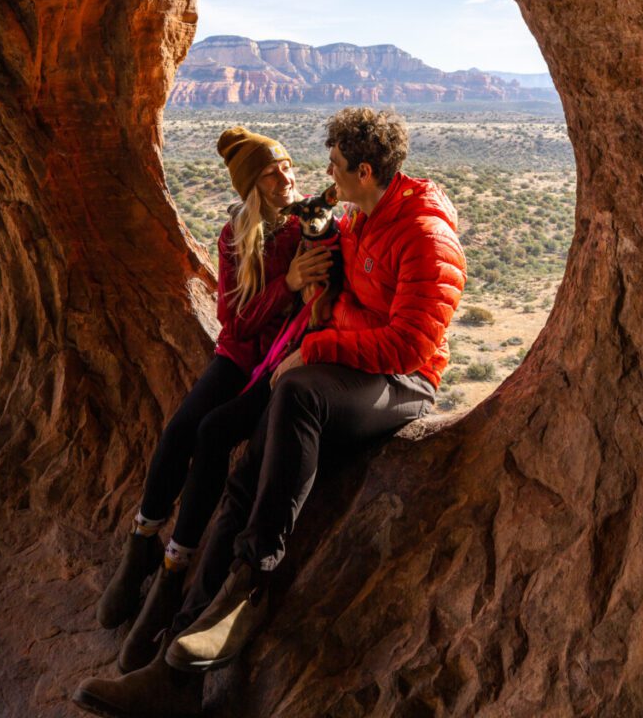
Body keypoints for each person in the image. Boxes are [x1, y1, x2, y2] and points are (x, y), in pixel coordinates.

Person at [73, 108, 466, 718]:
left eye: (335, 167)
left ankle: (252, 582)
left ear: (365, 171)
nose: (324, 178)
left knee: (299, 391)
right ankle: (173, 666)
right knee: (243, 474)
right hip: (355, 366)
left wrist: (317, 341)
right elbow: (329, 306)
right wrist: (318, 307)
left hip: (403, 382)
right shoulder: (358, 218)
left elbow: (408, 349)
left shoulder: (424, 234)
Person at [93, 126, 333, 674]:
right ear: (253, 184)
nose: (287, 175)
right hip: (237, 356)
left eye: (289, 165)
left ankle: (173, 572)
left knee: (208, 435)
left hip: (273, 361)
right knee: (180, 430)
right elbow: (235, 320)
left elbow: (302, 308)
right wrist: (286, 284)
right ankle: (142, 547)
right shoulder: (235, 235)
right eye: (273, 170)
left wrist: (295, 285)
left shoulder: (308, 227)